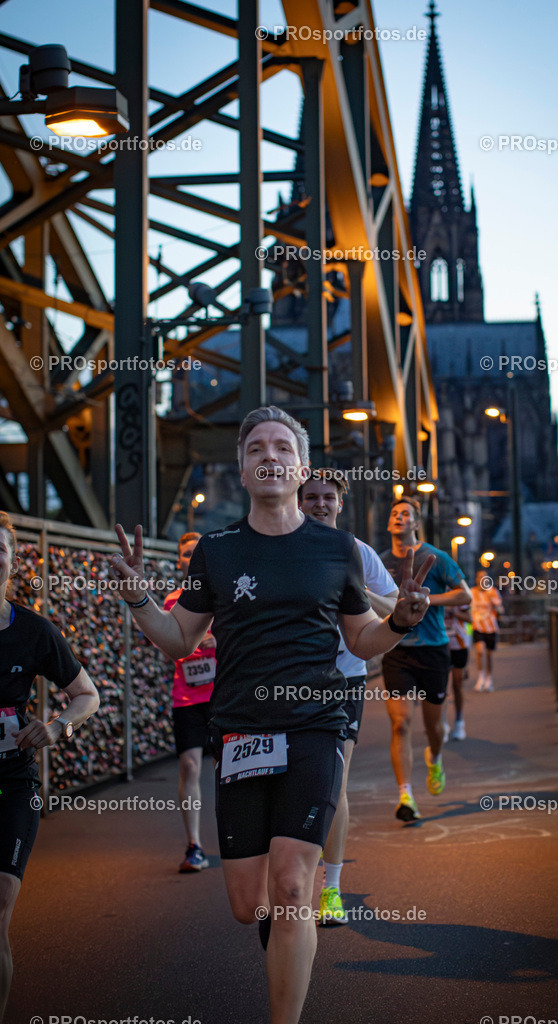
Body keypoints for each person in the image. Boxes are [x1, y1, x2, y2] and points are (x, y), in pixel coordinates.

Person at [109, 406, 433, 1024]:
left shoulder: (336, 547)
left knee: (291, 886)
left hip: (317, 723)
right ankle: (288, 937)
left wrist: (400, 622)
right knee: (247, 903)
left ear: (301, 466)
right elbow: (179, 637)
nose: (269, 455)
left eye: (282, 446)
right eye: (255, 447)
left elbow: (363, 638)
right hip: (241, 734)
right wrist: (137, 597)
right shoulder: (217, 550)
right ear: (241, 467)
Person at [0, 511, 99, 1023]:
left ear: (13, 561)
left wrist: (57, 727)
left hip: (13, 785)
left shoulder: (33, 630)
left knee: (0, 905)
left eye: (0, 548)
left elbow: (87, 694)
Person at [299, 468, 398, 926]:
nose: (320, 504)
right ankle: (292, 876)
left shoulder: (358, 552)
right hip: (292, 680)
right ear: (299, 501)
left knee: (334, 781)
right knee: (294, 783)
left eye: (328, 497)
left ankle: (331, 888)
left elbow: (396, 611)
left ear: (341, 503)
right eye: (311, 496)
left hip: (344, 678)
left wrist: (357, 591)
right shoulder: (283, 547)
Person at [380, 497, 471, 821]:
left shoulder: (436, 557)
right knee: (401, 723)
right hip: (397, 650)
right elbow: (370, 601)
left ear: (416, 523)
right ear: (389, 523)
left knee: (436, 729)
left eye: (406, 514)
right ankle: (406, 796)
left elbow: (465, 594)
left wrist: (427, 600)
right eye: (395, 514)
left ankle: (435, 757)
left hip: (433, 648)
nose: (399, 518)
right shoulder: (380, 561)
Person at [163, 532, 217, 872]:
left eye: (197, 552)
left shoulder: (225, 595)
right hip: (187, 697)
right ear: (180, 560)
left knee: (229, 769)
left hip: (223, 696)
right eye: (186, 553)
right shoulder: (173, 600)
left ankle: (240, 839)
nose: (191, 557)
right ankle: (194, 845)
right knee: (190, 767)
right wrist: (201, 642)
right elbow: (171, 643)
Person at [443, 602, 472, 740]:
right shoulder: (433, 590)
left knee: (457, 684)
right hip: (439, 644)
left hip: (458, 644)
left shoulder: (458, 591)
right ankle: (441, 722)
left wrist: (452, 611)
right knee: (440, 685)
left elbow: (470, 618)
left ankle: (459, 722)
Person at [471, 570, 503, 692]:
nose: (482, 579)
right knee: (480, 651)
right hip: (477, 626)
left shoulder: (493, 591)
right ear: (476, 579)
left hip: (491, 627)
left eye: (485, 577)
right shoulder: (472, 592)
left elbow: (498, 606)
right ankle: (481, 677)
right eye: (480, 577)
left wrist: (498, 607)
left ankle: (489, 679)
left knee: (489, 655)